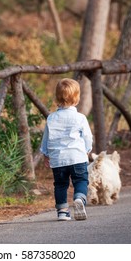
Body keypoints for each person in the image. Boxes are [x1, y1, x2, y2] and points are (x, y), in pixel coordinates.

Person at [40, 78, 93, 221]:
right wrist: (87, 150)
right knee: (81, 180)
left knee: (60, 184)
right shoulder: (80, 118)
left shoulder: (51, 118)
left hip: (58, 159)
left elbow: (47, 137)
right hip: (77, 157)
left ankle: (62, 212)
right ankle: (79, 199)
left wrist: (46, 154)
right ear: (77, 99)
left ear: (57, 97)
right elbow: (87, 136)